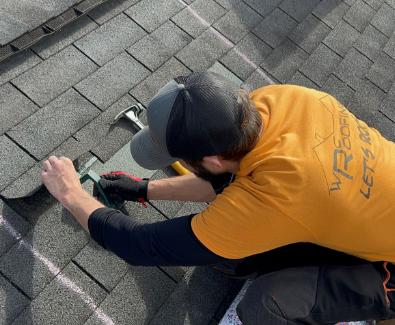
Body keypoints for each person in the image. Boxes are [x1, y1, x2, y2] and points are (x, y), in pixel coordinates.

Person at [41, 71, 395, 324]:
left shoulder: (281, 193)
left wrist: (71, 193)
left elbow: (142, 246)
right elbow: (226, 179)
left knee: (266, 306)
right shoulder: (276, 101)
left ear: (210, 160)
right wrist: (142, 189)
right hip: (362, 208)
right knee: (229, 260)